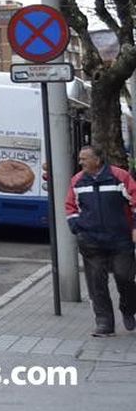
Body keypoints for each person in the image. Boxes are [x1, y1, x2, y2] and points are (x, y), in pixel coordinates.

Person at [64, 144, 136, 338]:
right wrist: (77, 228)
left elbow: (135, 200)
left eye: (84, 158)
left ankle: (129, 307)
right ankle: (104, 323)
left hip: (120, 239)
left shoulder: (119, 177)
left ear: (97, 160)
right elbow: (70, 207)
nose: (81, 162)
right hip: (91, 240)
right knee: (96, 282)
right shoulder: (77, 181)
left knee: (125, 277)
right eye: (80, 158)